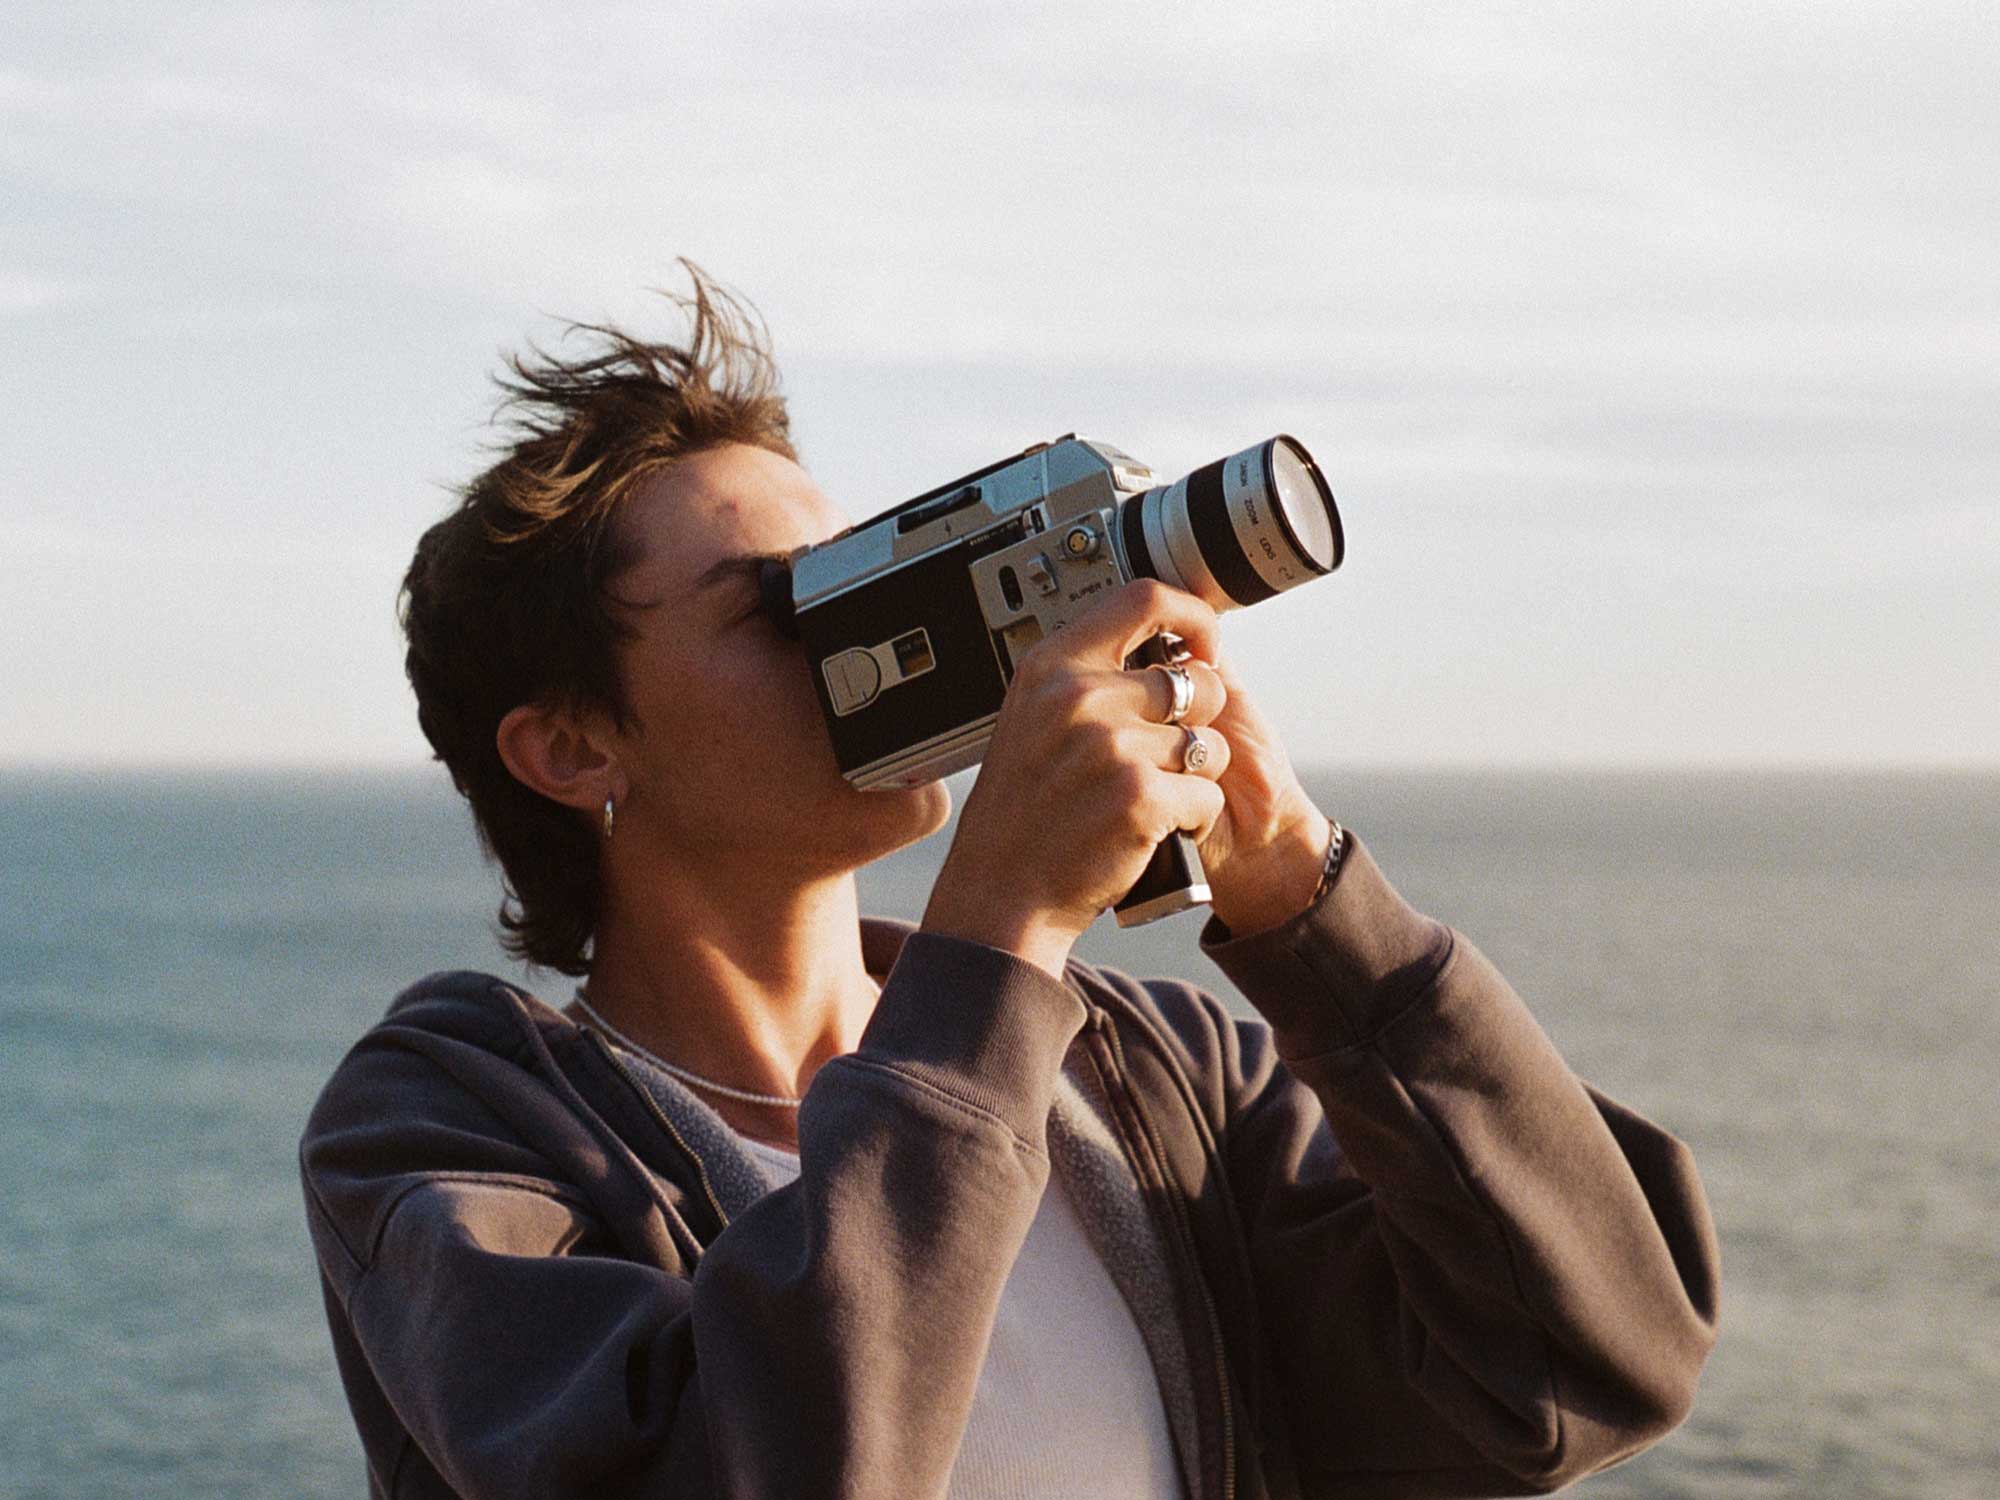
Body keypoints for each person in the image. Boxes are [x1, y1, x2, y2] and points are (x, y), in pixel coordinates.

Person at [300, 268, 1720, 1500]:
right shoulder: (457, 1127)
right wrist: (997, 935)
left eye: (856, 575)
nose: (848, 633)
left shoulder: (1149, 1081)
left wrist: (1306, 901)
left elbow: (1592, 1363)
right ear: (571, 746)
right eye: (777, 609)